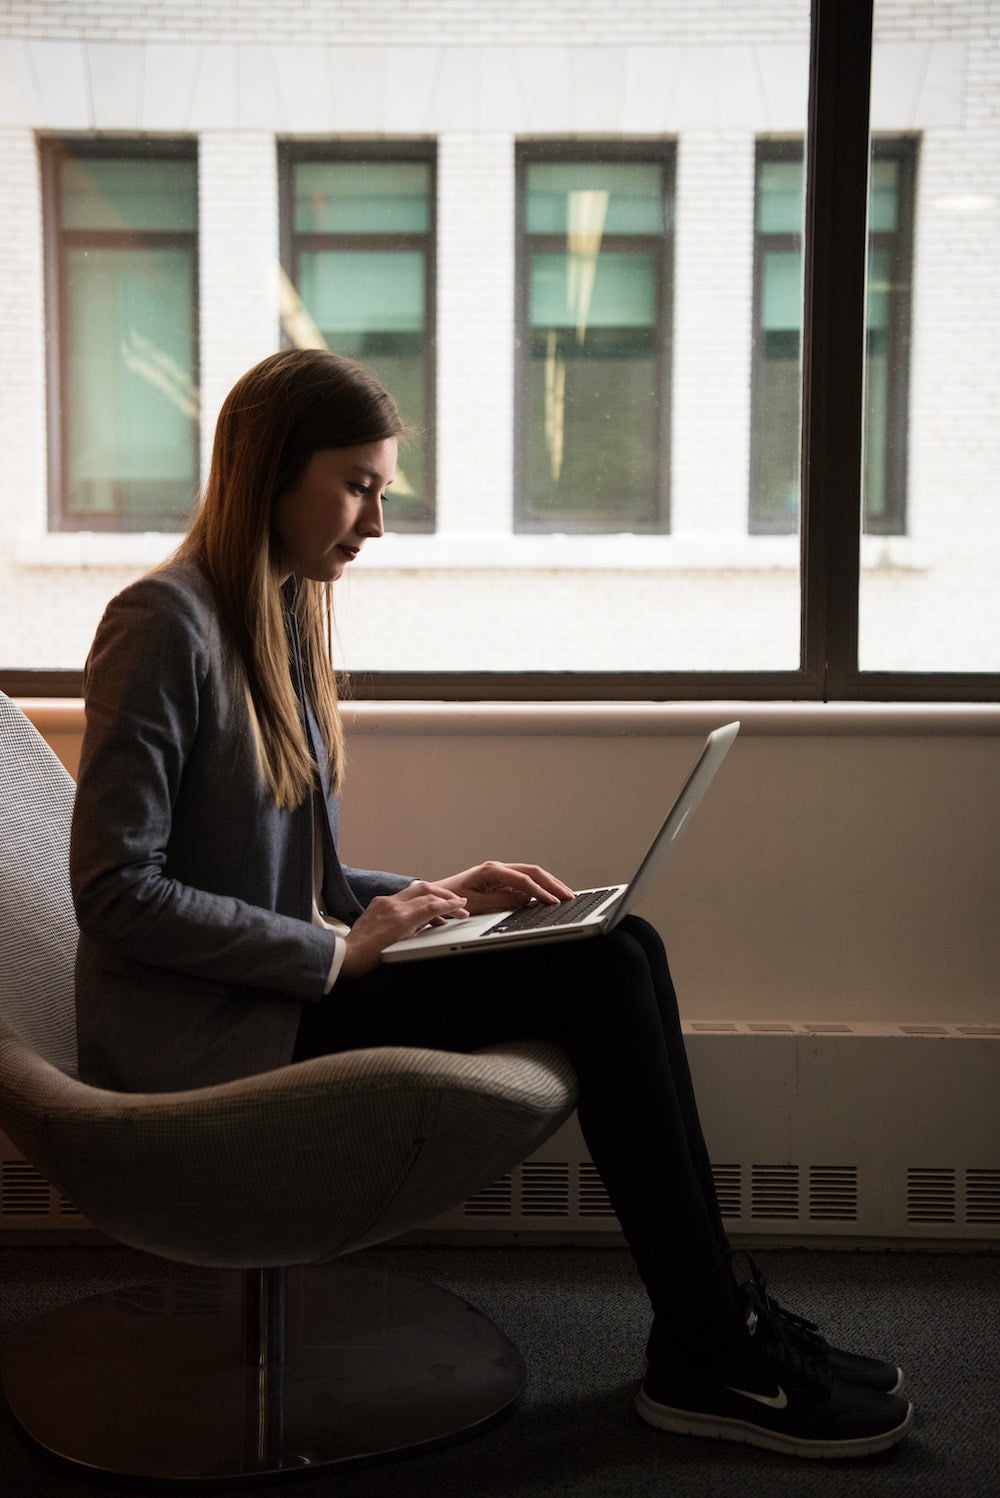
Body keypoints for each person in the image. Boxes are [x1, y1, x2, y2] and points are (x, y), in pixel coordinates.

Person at [70, 348, 913, 1462]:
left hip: (268, 988)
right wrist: (340, 957)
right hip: (198, 1035)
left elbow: (297, 880)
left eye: (382, 489)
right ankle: (710, 1345)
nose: (375, 520)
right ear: (271, 471)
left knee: (622, 939)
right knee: (604, 972)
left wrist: (427, 896)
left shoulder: (280, 614)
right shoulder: (161, 623)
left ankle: (716, 1325)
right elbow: (116, 892)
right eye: (358, 484)